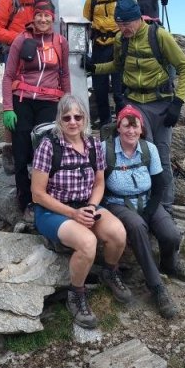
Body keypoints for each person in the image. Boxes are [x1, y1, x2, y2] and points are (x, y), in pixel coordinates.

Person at [31, 94, 132, 329]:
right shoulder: (49, 146)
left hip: (86, 205)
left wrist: (91, 207)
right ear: (59, 120)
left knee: (118, 233)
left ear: (85, 119)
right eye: (67, 118)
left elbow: (99, 183)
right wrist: (73, 214)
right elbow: (38, 194)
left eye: (78, 117)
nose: (73, 122)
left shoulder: (93, 145)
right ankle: (76, 294)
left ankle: (109, 272)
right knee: (87, 242)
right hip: (52, 211)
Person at [86, 0, 185, 211]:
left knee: (161, 156)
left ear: (138, 19)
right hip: (134, 103)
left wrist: (178, 102)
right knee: (143, 152)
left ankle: (165, 207)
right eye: (119, 24)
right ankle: (143, 204)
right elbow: (117, 65)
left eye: (127, 23)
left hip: (161, 104)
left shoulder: (159, 36)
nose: (123, 29)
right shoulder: (121, 39)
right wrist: (95, 68)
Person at [102, 104, 185, 319]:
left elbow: (160, 185)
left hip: (147, 200)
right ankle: (156, 286)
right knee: (137, 227)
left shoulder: (148, 149)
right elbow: (98, 182)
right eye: (126, 126)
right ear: (118, 127)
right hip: (117, 203)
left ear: (141, 129)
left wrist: (148, 212)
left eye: (135, 126)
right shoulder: (105, 150)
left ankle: (169, 264)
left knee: (171, 235)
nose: (131, 131)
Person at [2, 0, 70, 216]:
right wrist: (7, 108)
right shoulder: (21, 40)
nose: (42, 19)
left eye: (47, 16)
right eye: (39, 15)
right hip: (22, 101)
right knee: (21, 153)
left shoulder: (60, 42)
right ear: (33, 17)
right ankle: (25, 201)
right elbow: (8, 76)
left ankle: (45, 197)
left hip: (49, 103)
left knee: (46, 152)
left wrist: (67, 105)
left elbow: (64, 75)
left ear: (52, 18)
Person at [0, 0, 44, 175]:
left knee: (37, 100)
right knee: (13, 101)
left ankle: (37, 149)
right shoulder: (7, 0)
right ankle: (11, 150)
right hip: (15, 56)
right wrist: (21, 39)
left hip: (38, 56)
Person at [83, 0, 136, 127]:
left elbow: (136, 23)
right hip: (99, 46)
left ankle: (124, 124)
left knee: (120, 91)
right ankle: (105, 125)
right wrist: (83, 51)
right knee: (100, 89)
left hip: (121, 46)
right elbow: (84, 26)